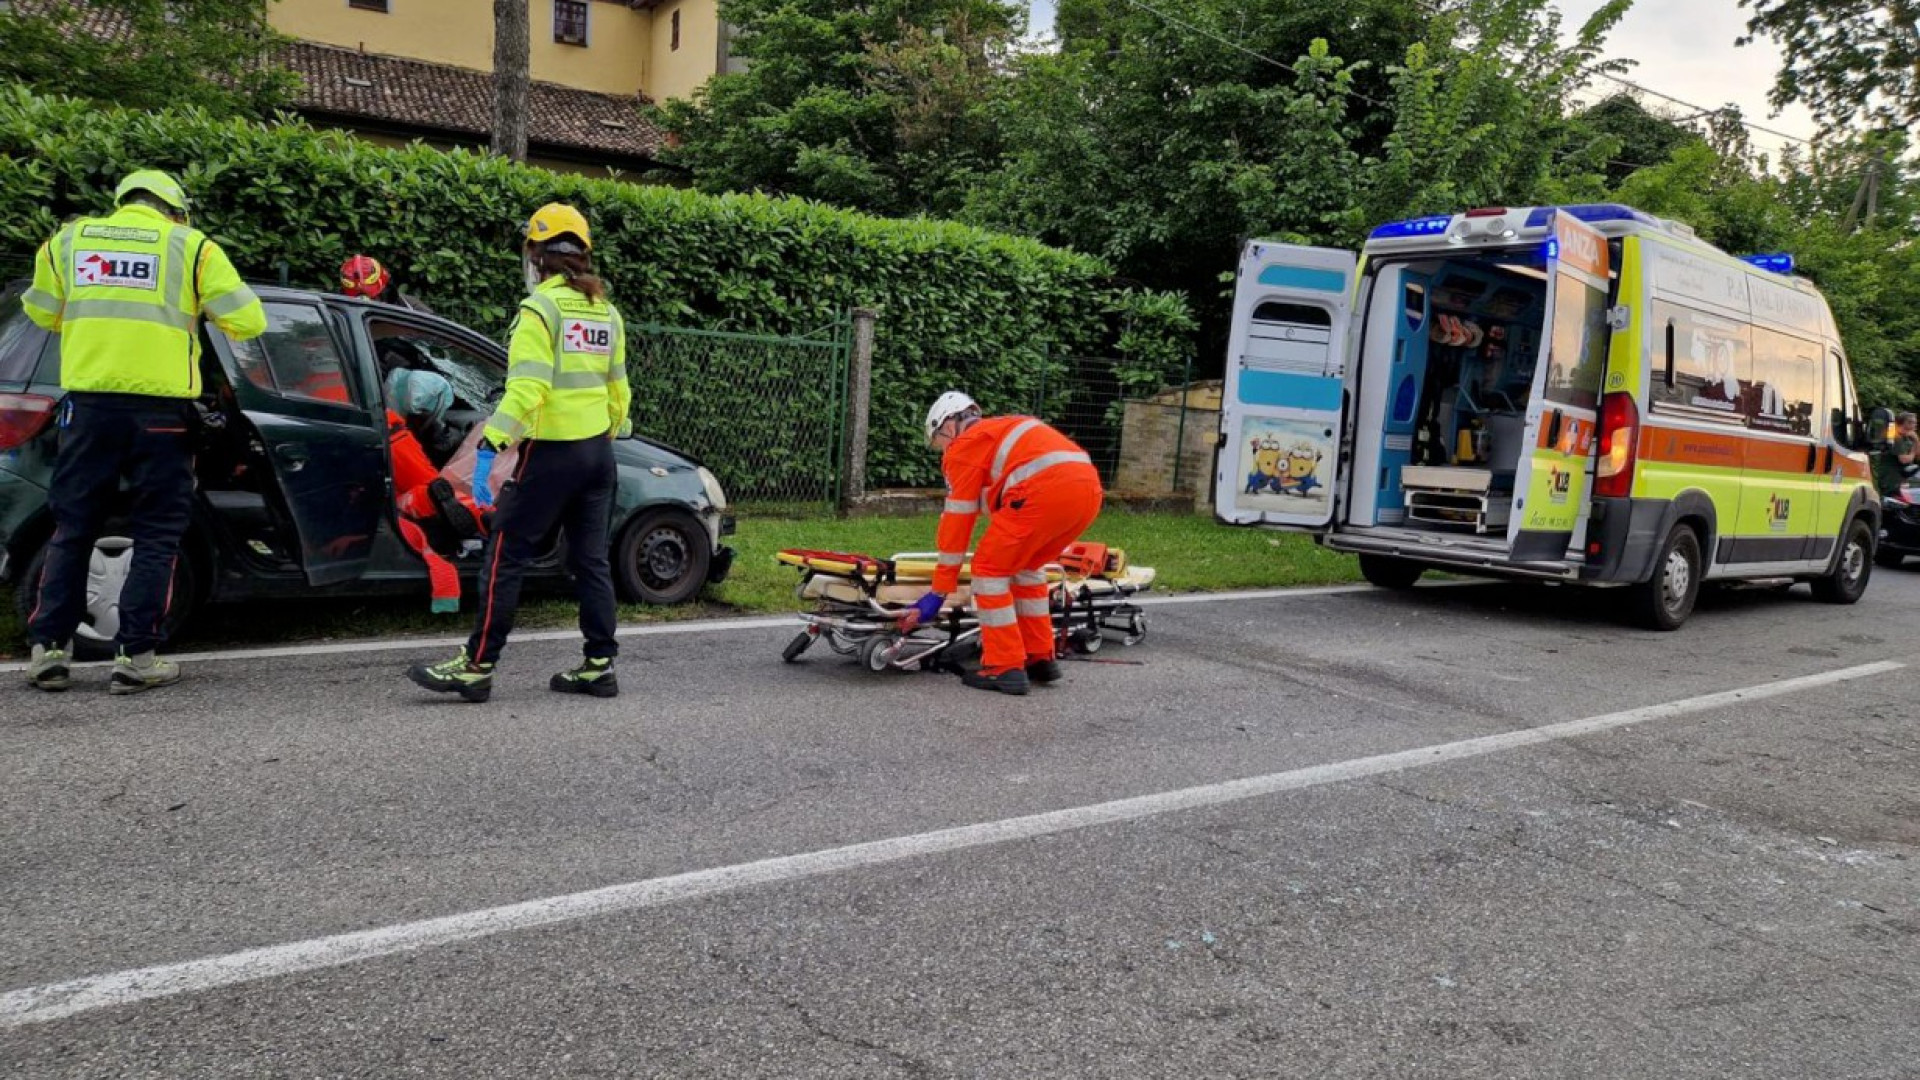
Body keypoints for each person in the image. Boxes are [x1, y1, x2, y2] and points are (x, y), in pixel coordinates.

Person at [20, 169, 267, 693]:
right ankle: (136, 657)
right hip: (161, 414)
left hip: (88, 409)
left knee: (72, 528)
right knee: (157, 534)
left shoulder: (68, 241)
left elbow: (42, 313)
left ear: (122, 202)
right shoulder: (193, 248)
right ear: (175, 209)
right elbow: (249, 322)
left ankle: (48, 653)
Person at [407, 203, 631, 703]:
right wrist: (603, 435)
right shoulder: (606, 313)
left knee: (505, 553)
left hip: (551, 455)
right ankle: (599, 665)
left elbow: (527, 389)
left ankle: (476, 665)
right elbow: (620, 393)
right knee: (590, 560)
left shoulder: (541, 311)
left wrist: (492, 442)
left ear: (535, 257)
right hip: (598, 455)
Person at [899, 391, 1104, 695]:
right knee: (1027, 568)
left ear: (950, 424)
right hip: (1088, 493)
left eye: (939, 441)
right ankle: (1039, 657)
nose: (943, 451)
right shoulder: (1003, 430)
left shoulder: (964, 447)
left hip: (1044, 492)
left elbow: (958, 521)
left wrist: (939, 591)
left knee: (988, 571)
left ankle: (1004, 666)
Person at [1874, 411, 1918, 498]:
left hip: (1901, 478)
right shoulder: (1896, 437)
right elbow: (1904, 459)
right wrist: (1913, 452)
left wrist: (1916, 440)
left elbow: (1918, 454)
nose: (1915, 425)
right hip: (1891, 479)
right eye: (1913, 423)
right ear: (1906, 423)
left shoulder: (1907, 437)